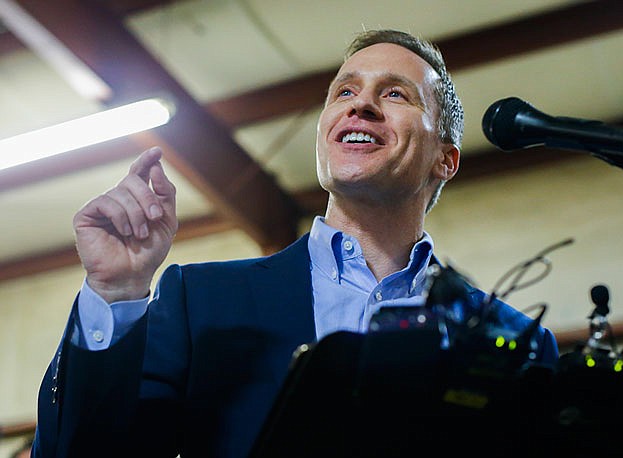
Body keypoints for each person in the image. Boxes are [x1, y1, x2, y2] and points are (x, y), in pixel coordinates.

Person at [32, 29, 559, 457]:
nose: (361, 106)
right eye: (344, 92)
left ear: (446, 158)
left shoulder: (516, 341)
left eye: (395, 93)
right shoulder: (202, 302)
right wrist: (115, 291)